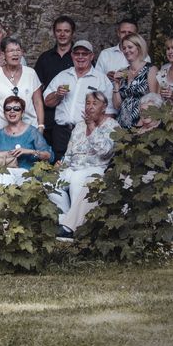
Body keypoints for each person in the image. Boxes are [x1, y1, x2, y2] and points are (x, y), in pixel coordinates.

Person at [51, 91, 120, 241]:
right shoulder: (79, 126)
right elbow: (70, 150)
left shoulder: (113, 126)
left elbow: (105, 152)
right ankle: (67, 221)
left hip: (96, 168)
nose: (90, 107)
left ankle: (77, 227)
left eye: (95, 104)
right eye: (88, 103)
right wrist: (61, 164)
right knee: (50, 182)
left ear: (104, 107)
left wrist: (92, 127)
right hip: (73, 167)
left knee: (77, 179)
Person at [42, 40, 114, 159]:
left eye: (84, 54)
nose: (80, 57)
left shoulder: (101, 79)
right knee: (59, 166)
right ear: (72, 55)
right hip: (62, 132)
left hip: (87, 131)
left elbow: (110, 111)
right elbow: (47, 102)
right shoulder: (62, 76)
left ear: (91, 56)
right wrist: (57, 95)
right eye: (77, 53)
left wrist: (99, 132)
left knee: (82, 164)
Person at [0, 96, 54, 185]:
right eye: (8, 109)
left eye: (17, 108)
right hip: (3, 175)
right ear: (4, 113)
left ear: (22, 112)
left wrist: (29, 151)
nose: (12, 111)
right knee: (2, 177)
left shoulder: (32, 132)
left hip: (28, 176)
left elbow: (50, 156)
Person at [0, 37, 43, 135]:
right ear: (3, 54)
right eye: (11, 51)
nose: (15, 54)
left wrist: (40, 126)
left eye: (18, 50)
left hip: (29, 130)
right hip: (2, 130)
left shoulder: (31, 73)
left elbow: (38, 102)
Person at [34, 15, 76, 143]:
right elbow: (36, 87)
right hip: (49, 115)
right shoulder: (45, 58)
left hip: (72, 116)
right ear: (54, 32)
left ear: (73, 33)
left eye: (66, 31)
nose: (62, 34)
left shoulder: (80, 58)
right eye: (59, 31)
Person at [112, 33, 158, 129]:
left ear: (139, 47)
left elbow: (154, 101)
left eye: (130, 47)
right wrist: (116, 84)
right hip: (122, 126)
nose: (126, 51)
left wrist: (142, 124)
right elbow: (117, 106)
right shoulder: (122, 72)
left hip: (142, 124)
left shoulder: (150, 69)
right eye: (124, 48)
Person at [95, 18, 151, 83]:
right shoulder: (106, 54)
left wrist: (126, 75)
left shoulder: (144, 56)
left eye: (130, 32)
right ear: (118, 33)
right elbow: (96, 79)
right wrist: (106, 77)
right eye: (123, 32)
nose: (126, 35)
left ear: (136, 35)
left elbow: (146, 81)